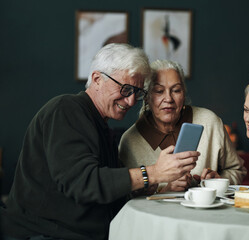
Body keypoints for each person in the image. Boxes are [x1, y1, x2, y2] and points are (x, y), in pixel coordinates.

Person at [1, 44, 200, 240]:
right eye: (125, 89)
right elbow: (83, 184)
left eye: (137, 93)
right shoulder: (65, 110)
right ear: (97, 79)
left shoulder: (100, 126)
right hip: (42, 234)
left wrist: (144, 186)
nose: (131, 101)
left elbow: (106, 190)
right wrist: (153, 173)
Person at [118, 60, 246, 193]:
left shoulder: (209, 122)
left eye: (176, 90)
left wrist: (218, 180)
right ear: (146, 97)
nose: (168, 98)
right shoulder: (130, 141)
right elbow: (126, 198)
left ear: (184, 94)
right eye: (159, 91)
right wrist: (164, 191)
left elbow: (237, 170)